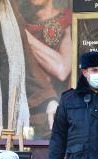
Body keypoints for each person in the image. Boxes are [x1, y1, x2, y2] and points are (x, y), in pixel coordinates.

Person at [21, 0, 72, 130]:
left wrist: (23, 35)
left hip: (56, 113)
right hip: (27, 113)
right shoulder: (22, 22)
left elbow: (62, 69)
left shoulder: (66, 21)